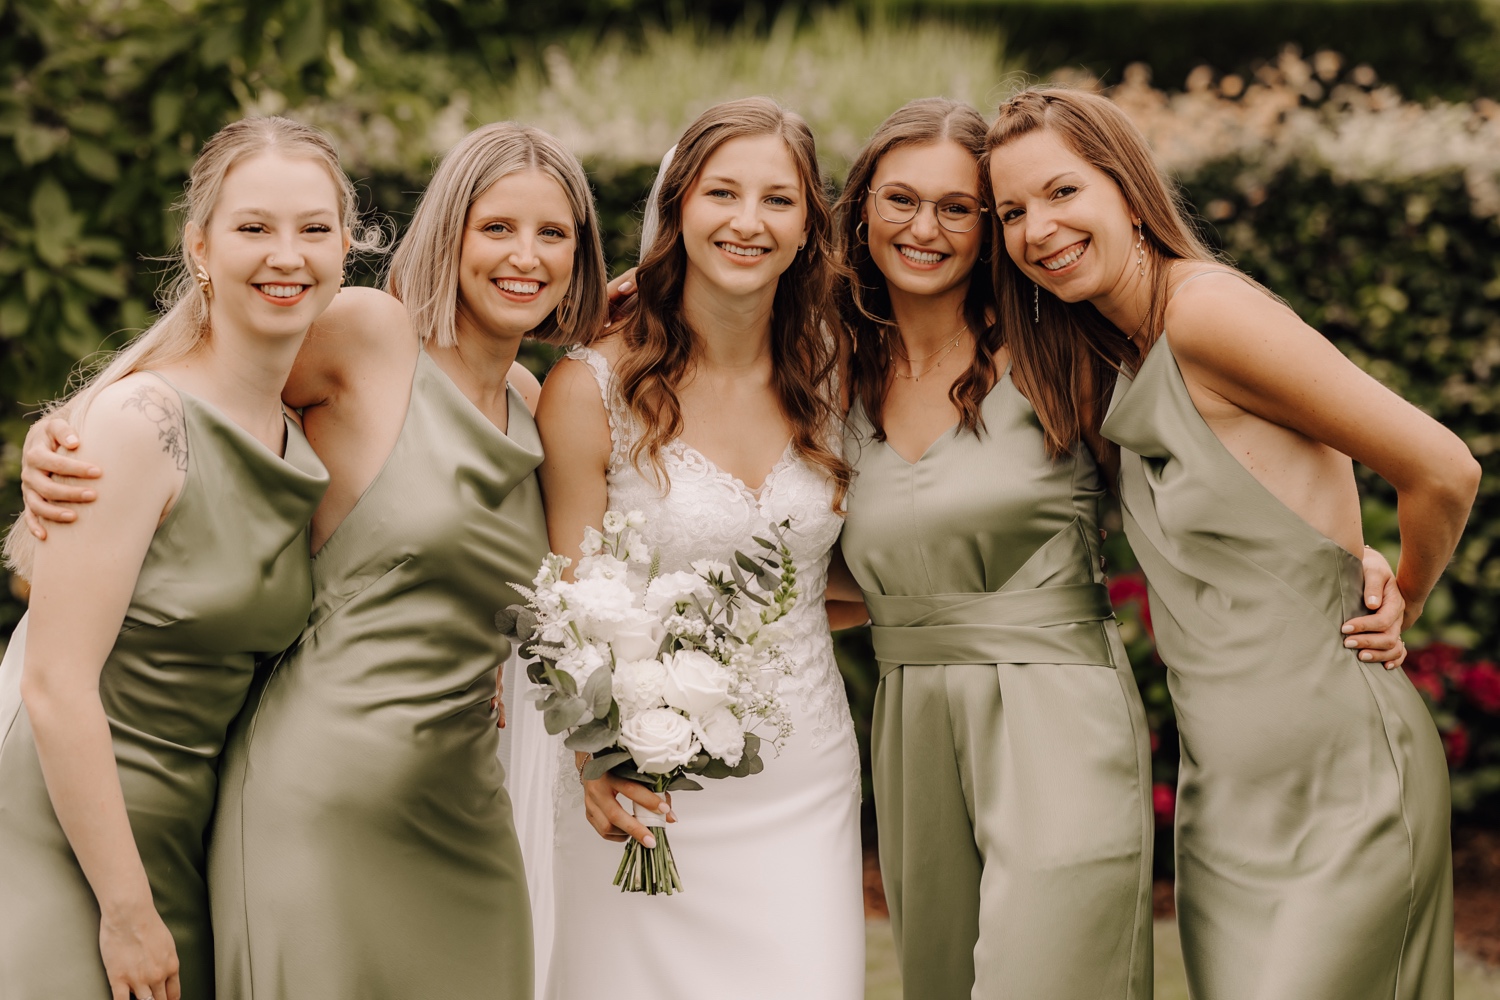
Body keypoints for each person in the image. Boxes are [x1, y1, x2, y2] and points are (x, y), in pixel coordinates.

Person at [18, 121, 608, 999]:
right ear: (447, 232)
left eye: (552, 233)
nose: (524, 255)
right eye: (496, 227)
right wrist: (69, 432)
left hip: (459, 802)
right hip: (316, 795)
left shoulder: (537, 400)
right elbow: (204, 385)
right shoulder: (371, 338)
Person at [985, 86, 1478, 1000]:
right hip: (1226, 796)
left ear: (1127, 191)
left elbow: (1443, 468)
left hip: (1342, 781)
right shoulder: (1116, 353)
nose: (1036, 228)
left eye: (1061, 191)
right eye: (1011, 211)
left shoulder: (1207, 314)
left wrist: (1403, 587)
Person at [0, 116, 355, 1000]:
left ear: (347, 247)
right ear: (200, 247)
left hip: (184, 839)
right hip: (66, 835)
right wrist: (125, 912)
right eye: (254, 228)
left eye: (314, 228)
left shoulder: (298, 437)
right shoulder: (141, 426)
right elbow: (54, 683)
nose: (288, 255)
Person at [535, 96, 865, 1000]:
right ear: (678, 208)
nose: (748, 222)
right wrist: (599, 763)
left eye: (779, 200)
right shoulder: (590, 387)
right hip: (641, 785)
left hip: (804, 781)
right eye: (723, 193)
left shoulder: (839, 377)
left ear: (809, 227)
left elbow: (888, 555)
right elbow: (571, 602)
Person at [831, 96, 1155, 1000]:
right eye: (899, 200)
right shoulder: (828, 374)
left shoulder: (1067, 355)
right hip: (911, 724)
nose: (924, 228)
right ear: (860, 213)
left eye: (959, 207)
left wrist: (1337, 551)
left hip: (1059, 714)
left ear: (990, 229)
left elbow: (1214, 467)